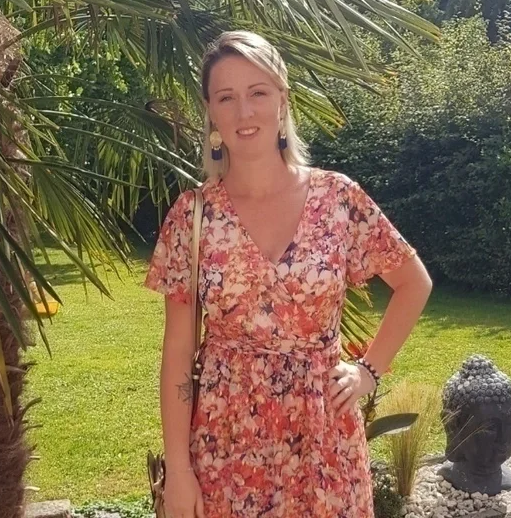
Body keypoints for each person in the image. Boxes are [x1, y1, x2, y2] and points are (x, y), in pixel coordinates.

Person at [144, 30, 433, 518]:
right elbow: (177, 353)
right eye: (226, 97)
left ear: (283, 100)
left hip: (325, 441)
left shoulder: (338, 198)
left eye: (258, 92)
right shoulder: (192, 216)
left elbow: (413, 282)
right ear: (211, 112)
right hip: (225, 447)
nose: (245, 112)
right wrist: (179, 468)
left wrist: (368, 371)